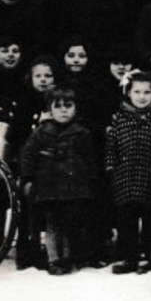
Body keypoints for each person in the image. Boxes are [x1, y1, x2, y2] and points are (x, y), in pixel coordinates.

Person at [16, 87, 98, 276]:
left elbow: (89, 159)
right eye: (58, 106)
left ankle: (68, 257)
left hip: (74, 188)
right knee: (52, 225)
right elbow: (28, 156)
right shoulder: (41, 132)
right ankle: (53, 259)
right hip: (49, 188)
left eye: (68, 106)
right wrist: (27, 178)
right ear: (49, 109)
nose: (63, 110)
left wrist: (91, 180)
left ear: (76, 108)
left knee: (71, 224)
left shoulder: (82, 132)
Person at [103, 70, 151, 275]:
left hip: (149, 174)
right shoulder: (119, 118)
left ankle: (147, 255)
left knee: (147, 216)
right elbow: (111, 146)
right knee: (127, 219)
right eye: (137, 92)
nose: (142, 97)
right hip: (124, 175)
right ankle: (128, 257)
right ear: (128, 93)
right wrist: (110, 167)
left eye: (147, 92)